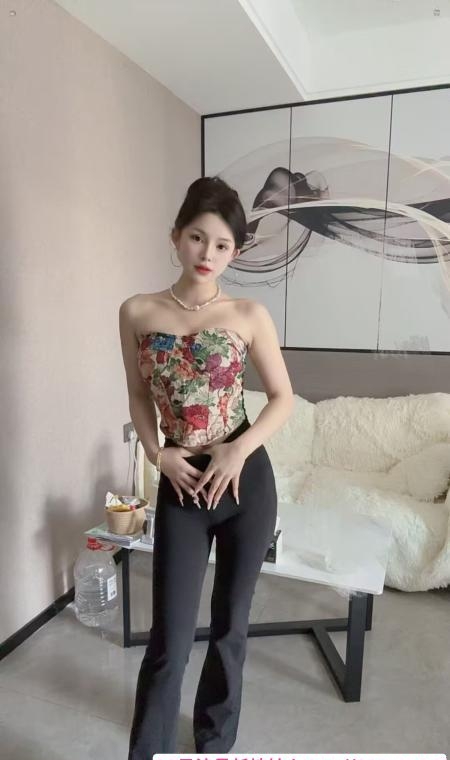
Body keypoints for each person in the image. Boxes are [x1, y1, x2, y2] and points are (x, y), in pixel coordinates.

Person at [119, 176, 294, 759]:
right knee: (168, 638)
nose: (207, 254)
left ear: (234, 253)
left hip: (245, 481)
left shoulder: (248, 313)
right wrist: (157, 454)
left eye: (222, 245)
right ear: (176, 236)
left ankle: (214, 745)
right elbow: (138, 395)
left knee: (230, 629)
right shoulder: (137, 311)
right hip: (181, 483)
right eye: (197, 237)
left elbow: (282, 398)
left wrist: (238, 450)